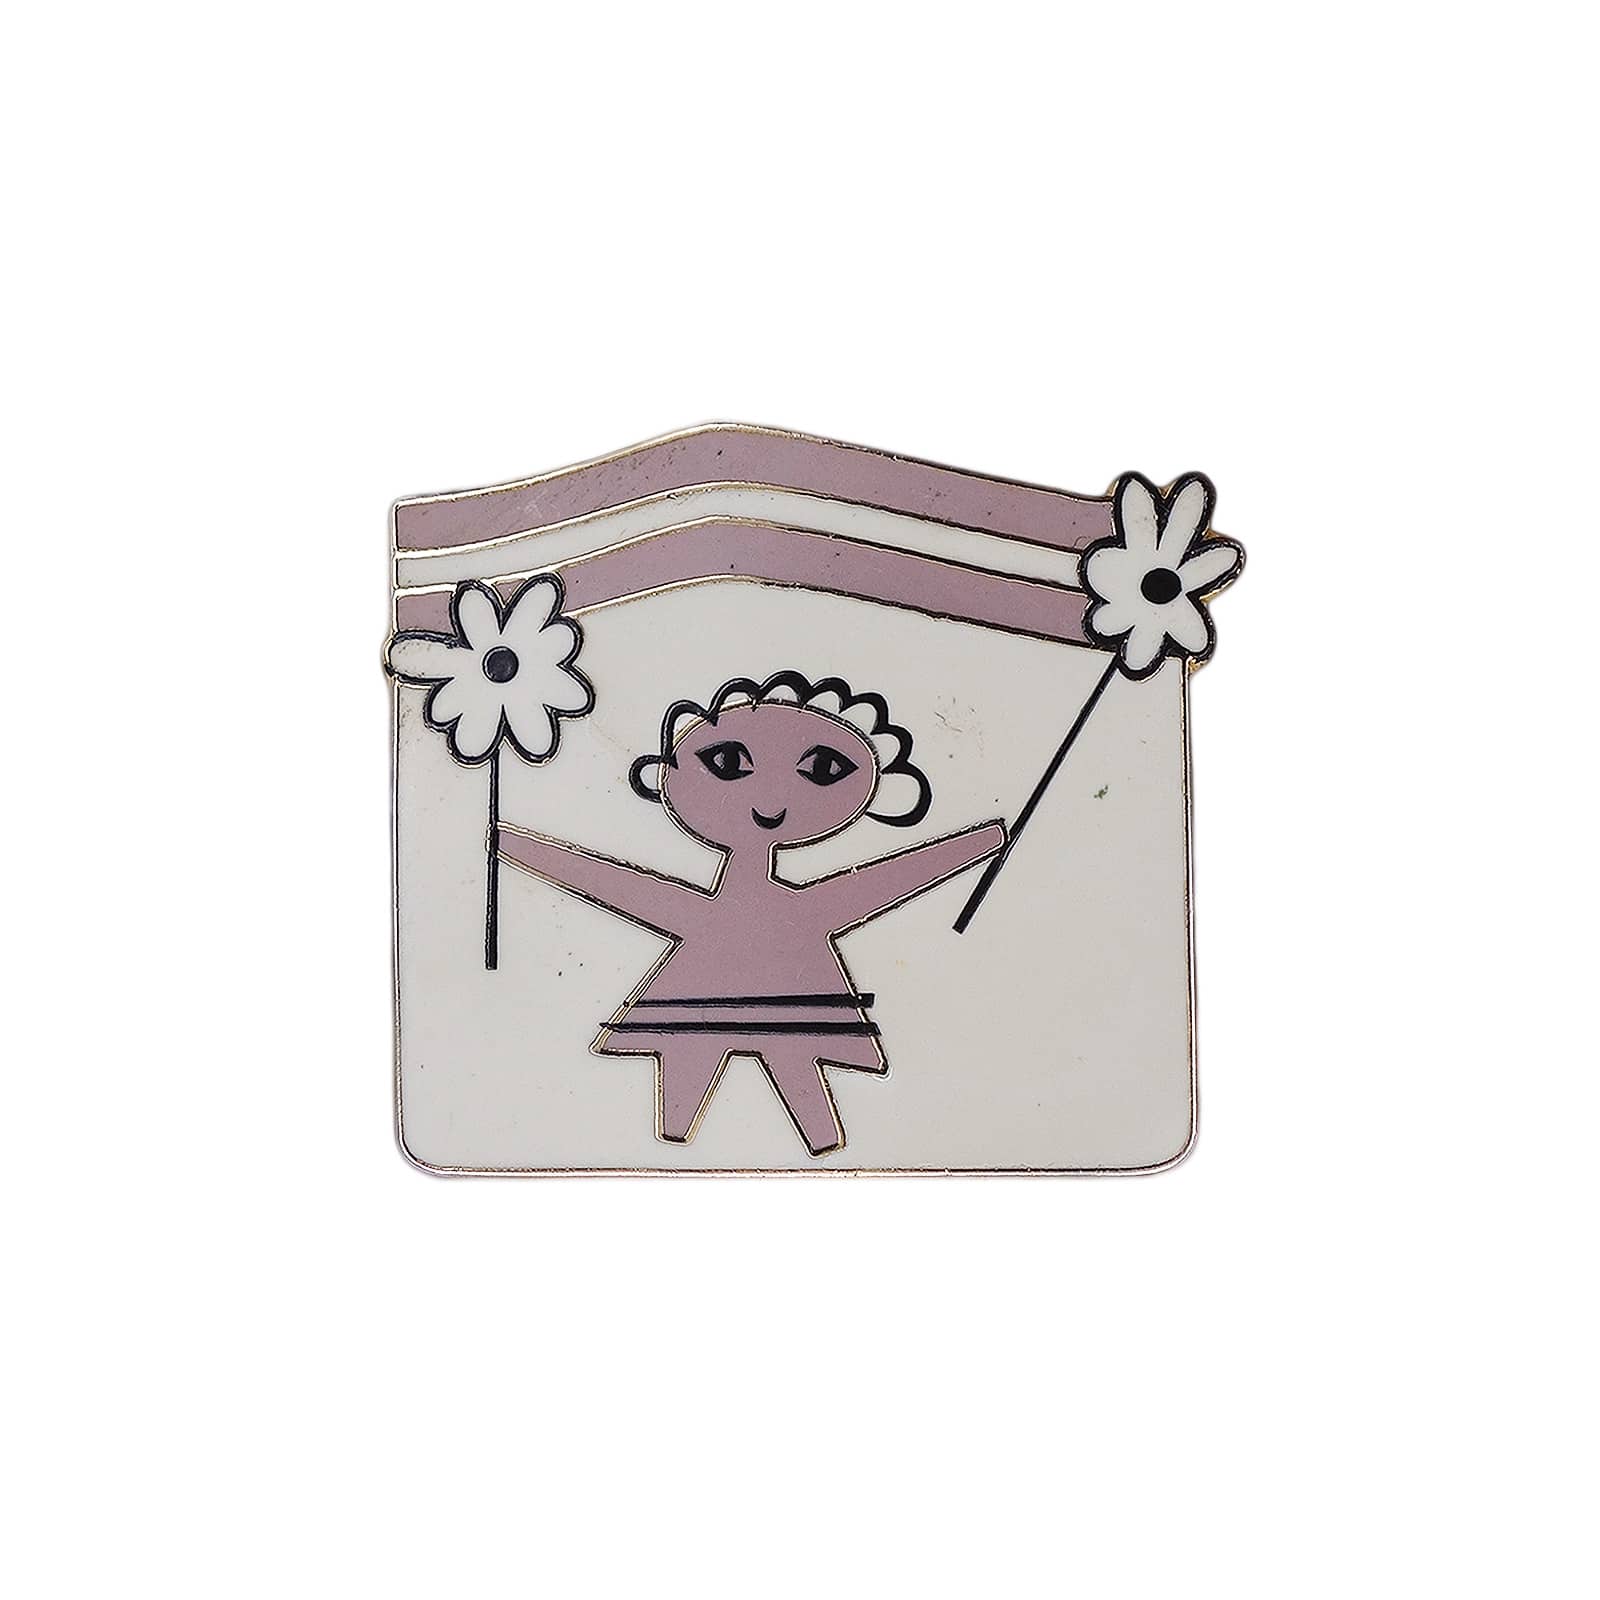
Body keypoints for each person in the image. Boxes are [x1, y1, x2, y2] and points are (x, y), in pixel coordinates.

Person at [498, 671, 1004, 1155]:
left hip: (777, 985)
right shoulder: (776, 911)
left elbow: (885, 882)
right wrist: (513, 845)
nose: (771, 798)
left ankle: (792, 1138)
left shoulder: (801, 911)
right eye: (726, 762)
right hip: (738, 987)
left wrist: (981, 842)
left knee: (786, 1056)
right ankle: (678, 1136)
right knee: (698, 1054)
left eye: (823, 770)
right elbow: (616, 885)